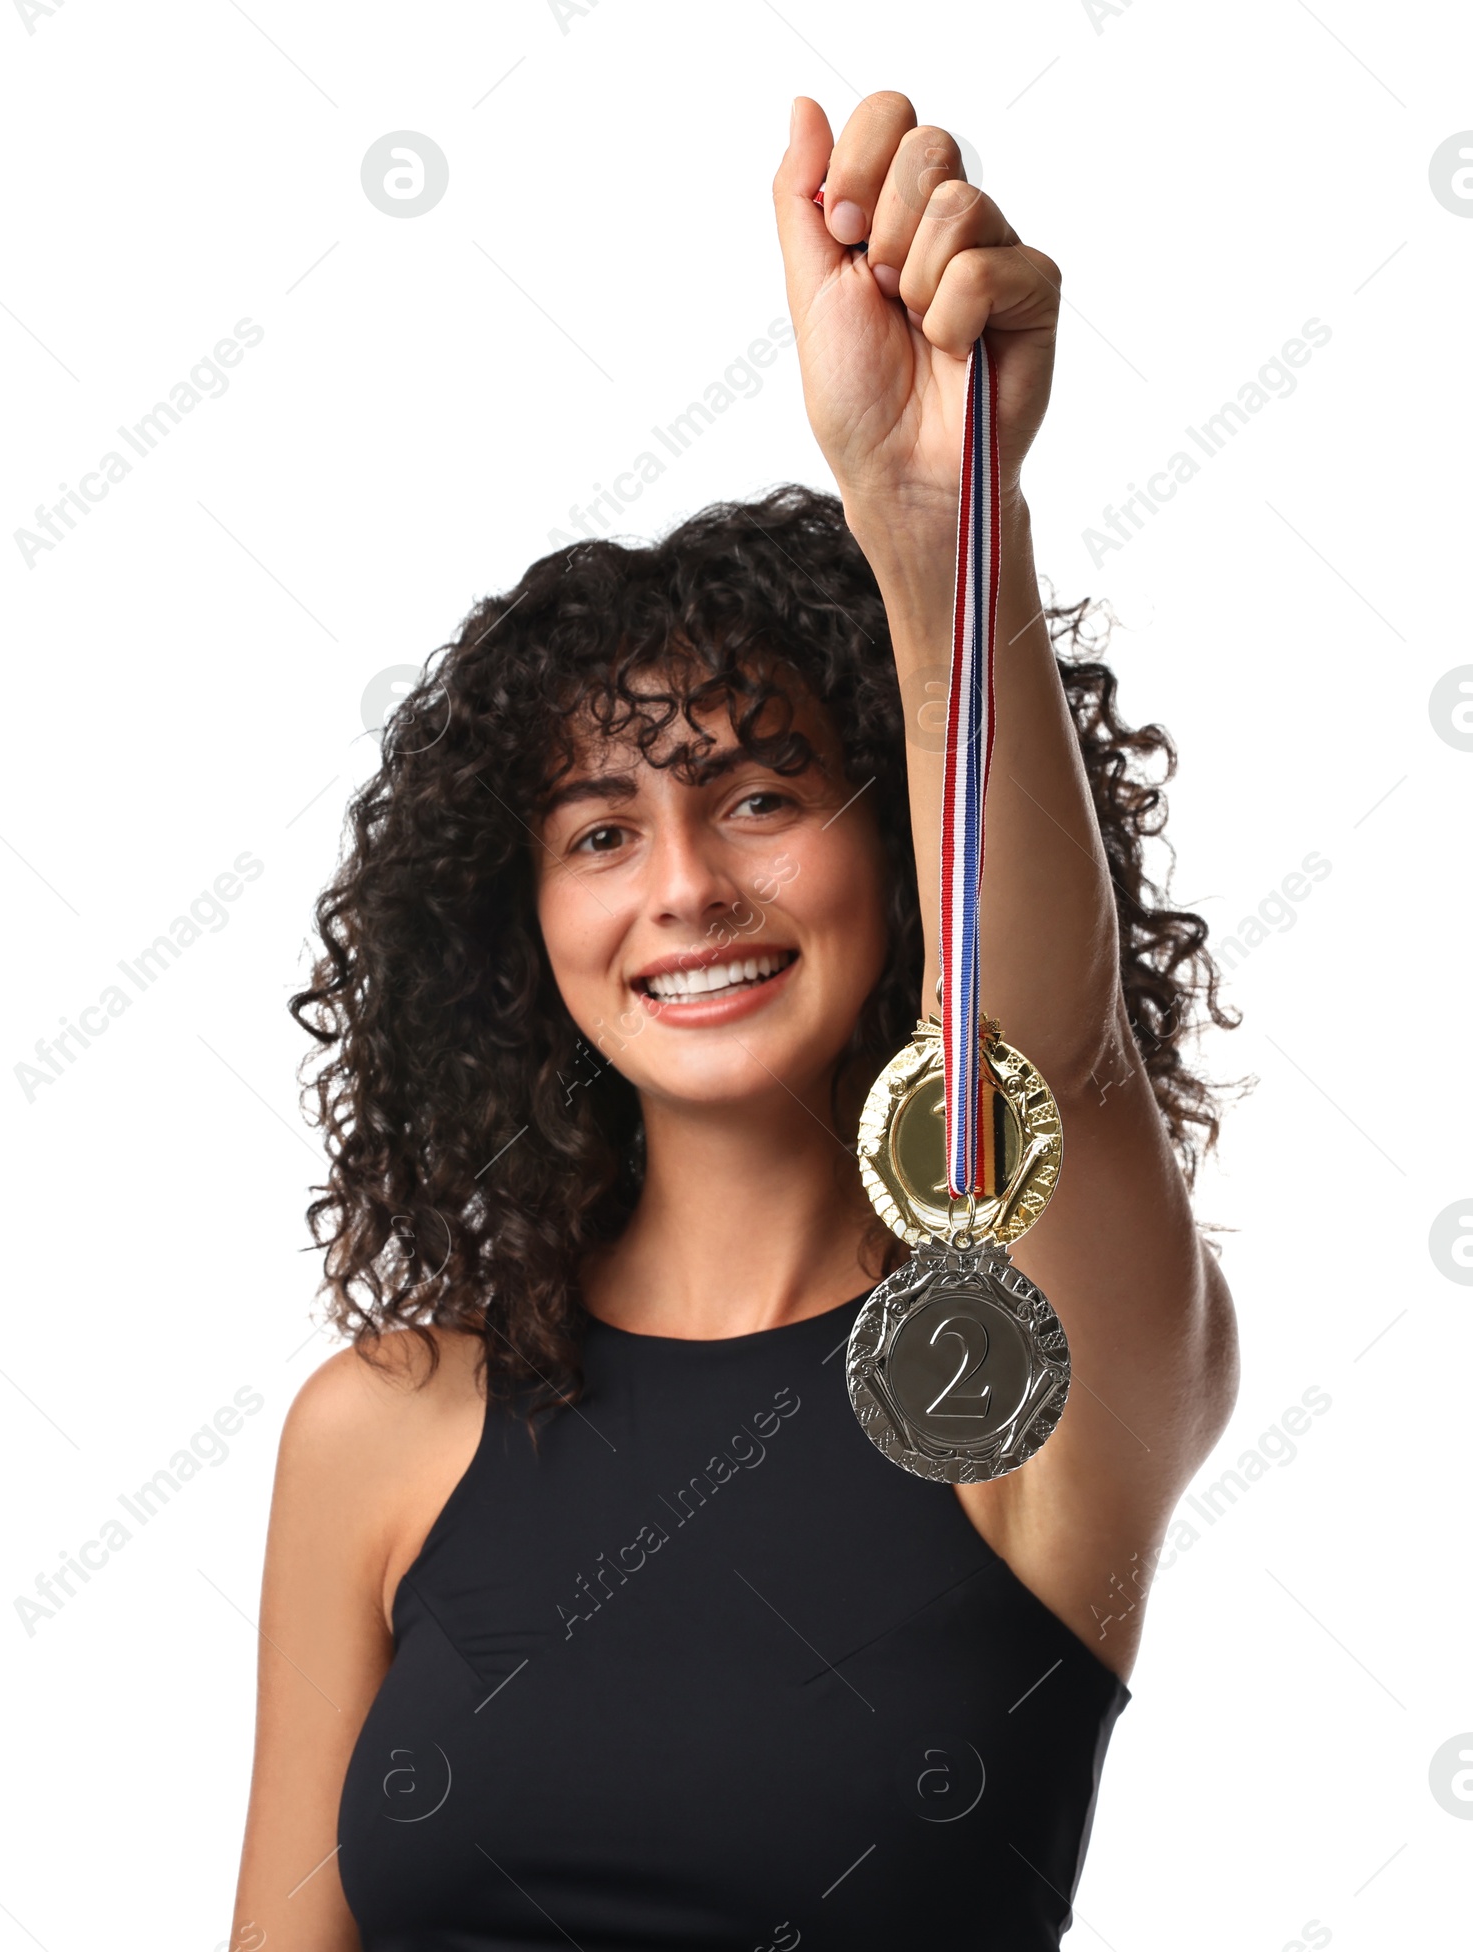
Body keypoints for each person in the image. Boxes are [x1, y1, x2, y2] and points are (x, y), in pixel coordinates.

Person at [228, 90, 1241, 1950]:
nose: (684, 882)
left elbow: (1053, 1064)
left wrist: (940, 535)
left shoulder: (1017, 1382)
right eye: (602, 829)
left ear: (899, 851)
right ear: (516, 923)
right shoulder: (382, 1433)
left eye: (763, 793)